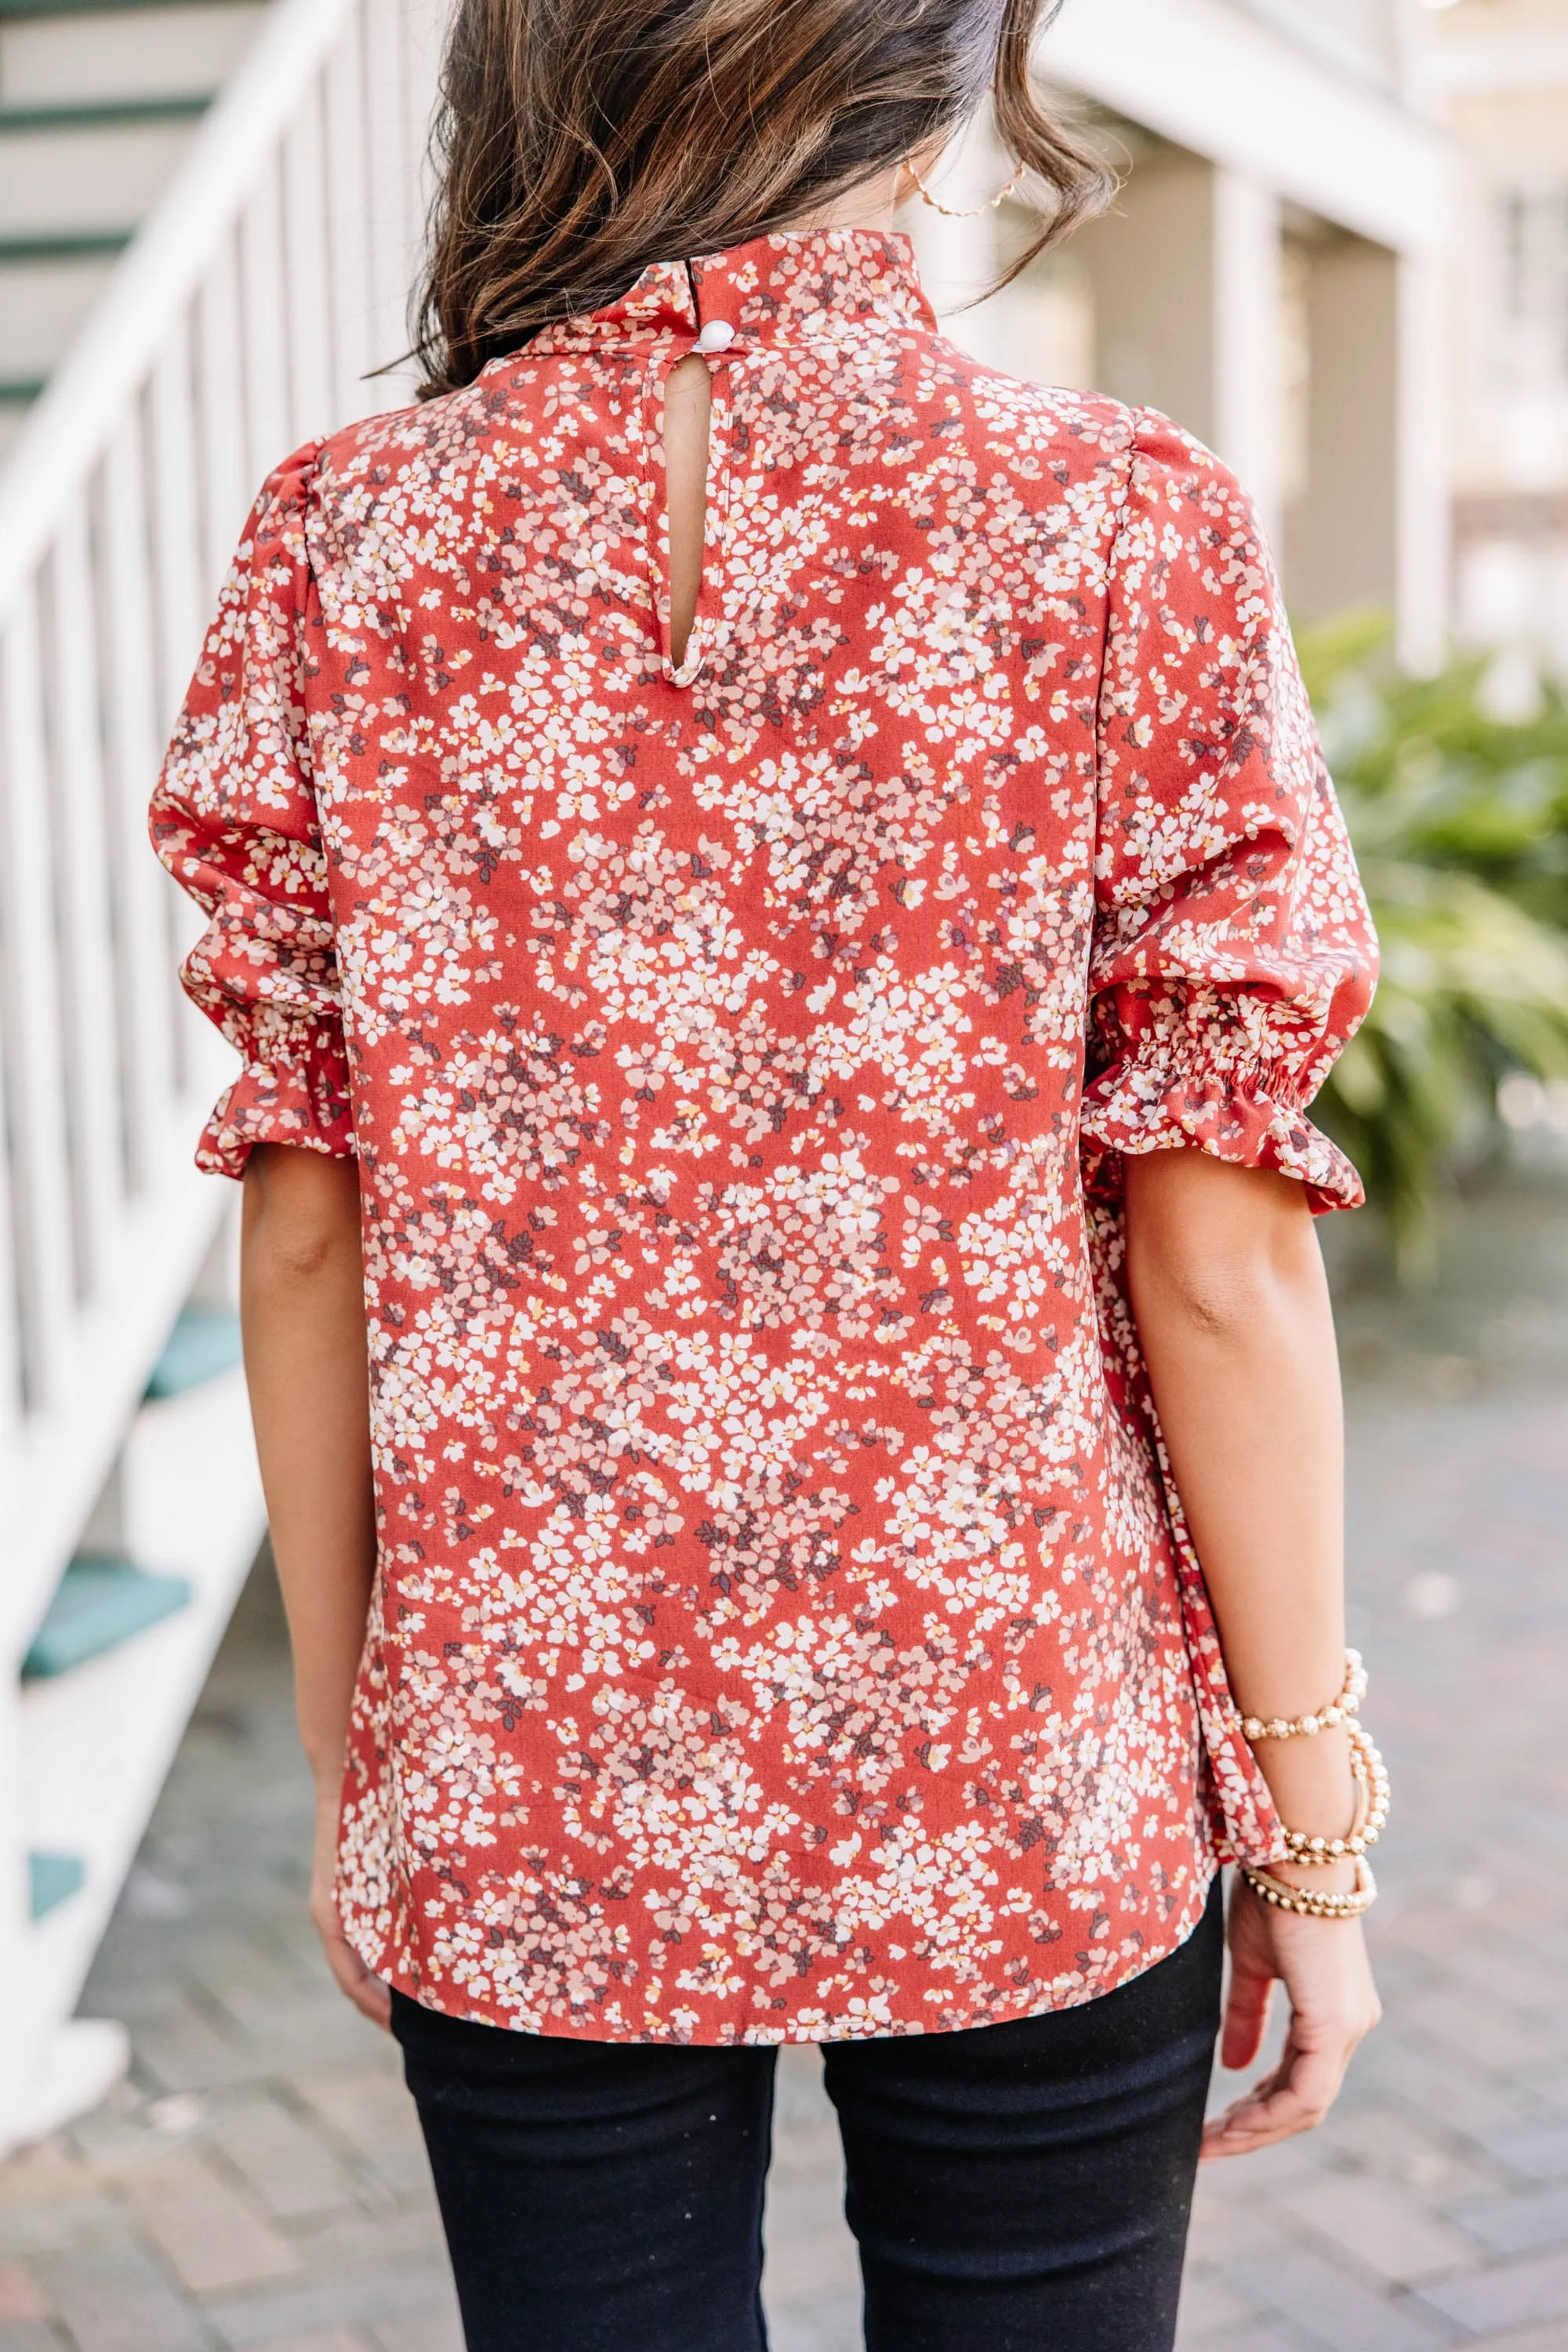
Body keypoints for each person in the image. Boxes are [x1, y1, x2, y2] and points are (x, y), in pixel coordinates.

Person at [151, 1, 1385, 2343]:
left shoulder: (346, 538)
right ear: (938, 107)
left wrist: (364, 1755)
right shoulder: (1122, 524)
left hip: (524, 1772)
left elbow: (309, 1223)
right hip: (1026, 1749)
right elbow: (1219, 1265)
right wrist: (1307, 1830)